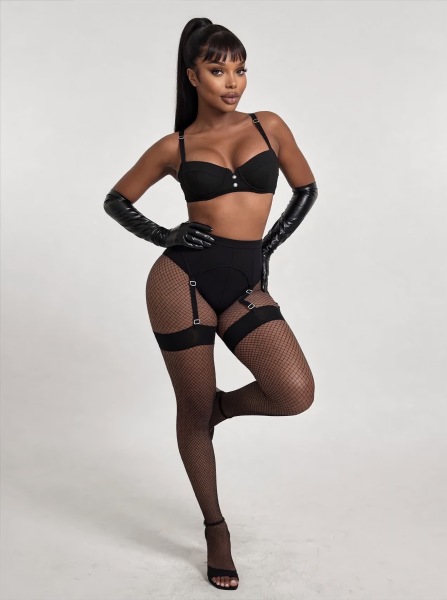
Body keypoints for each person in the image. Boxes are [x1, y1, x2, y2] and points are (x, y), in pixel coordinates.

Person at [103, 17, 318, 592]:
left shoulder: (268, 125)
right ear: (192, 75)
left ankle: (219, 408)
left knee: (294, 391)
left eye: (240, 69)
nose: (233, 81)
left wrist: (267, 247)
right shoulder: (174, 147)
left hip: (244, 282)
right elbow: (116, 200)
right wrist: (164, 234)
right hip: (181, 281)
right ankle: (215, 528)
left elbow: (306, 189)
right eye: (218, 69)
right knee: (190, 410)